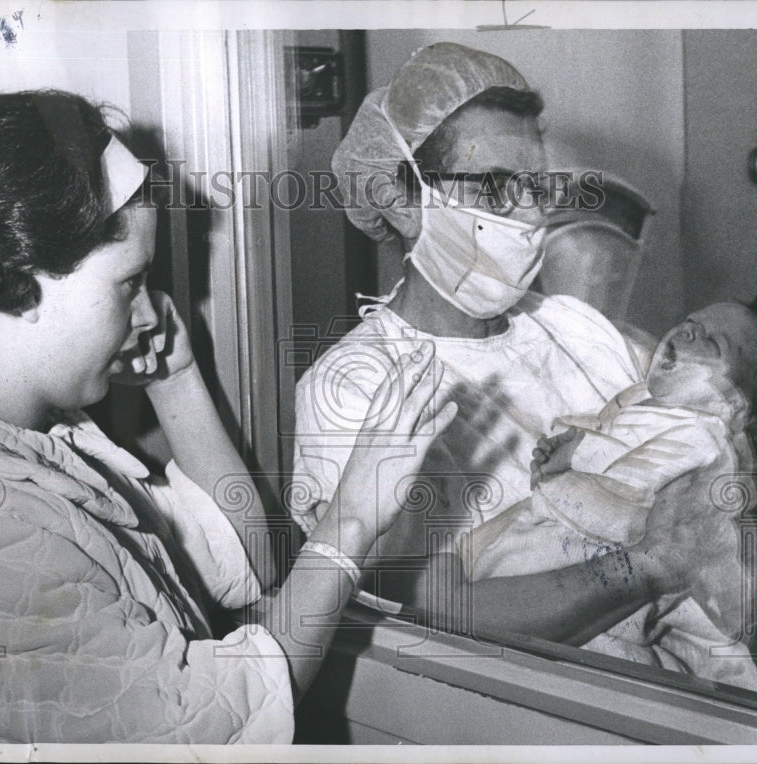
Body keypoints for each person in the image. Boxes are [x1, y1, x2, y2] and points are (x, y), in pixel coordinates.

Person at [0, 89, 458, 743]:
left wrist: (175, 379)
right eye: (131, 283)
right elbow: (209, 728)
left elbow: (250, 562)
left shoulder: (39, 444)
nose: (149, 313)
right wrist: (351, 521)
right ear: (23, 278)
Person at [290, 42, 690, 636]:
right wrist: (656, 566)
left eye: (536, 188)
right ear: (403, 202)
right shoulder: (354, 388)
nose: (529, 216)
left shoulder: (577, 330)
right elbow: (438, 615)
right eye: (495, 189)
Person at [452, 298, 757, 691]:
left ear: (733, 406)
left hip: (617, 557)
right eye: (690, 320)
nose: (687, 333)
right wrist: (574, 442)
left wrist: (570, 467)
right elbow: (611, 434)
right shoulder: (648, 401)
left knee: (584, 639)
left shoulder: (703, 440)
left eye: (711, 343)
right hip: (598, 549)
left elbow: (630, 495)